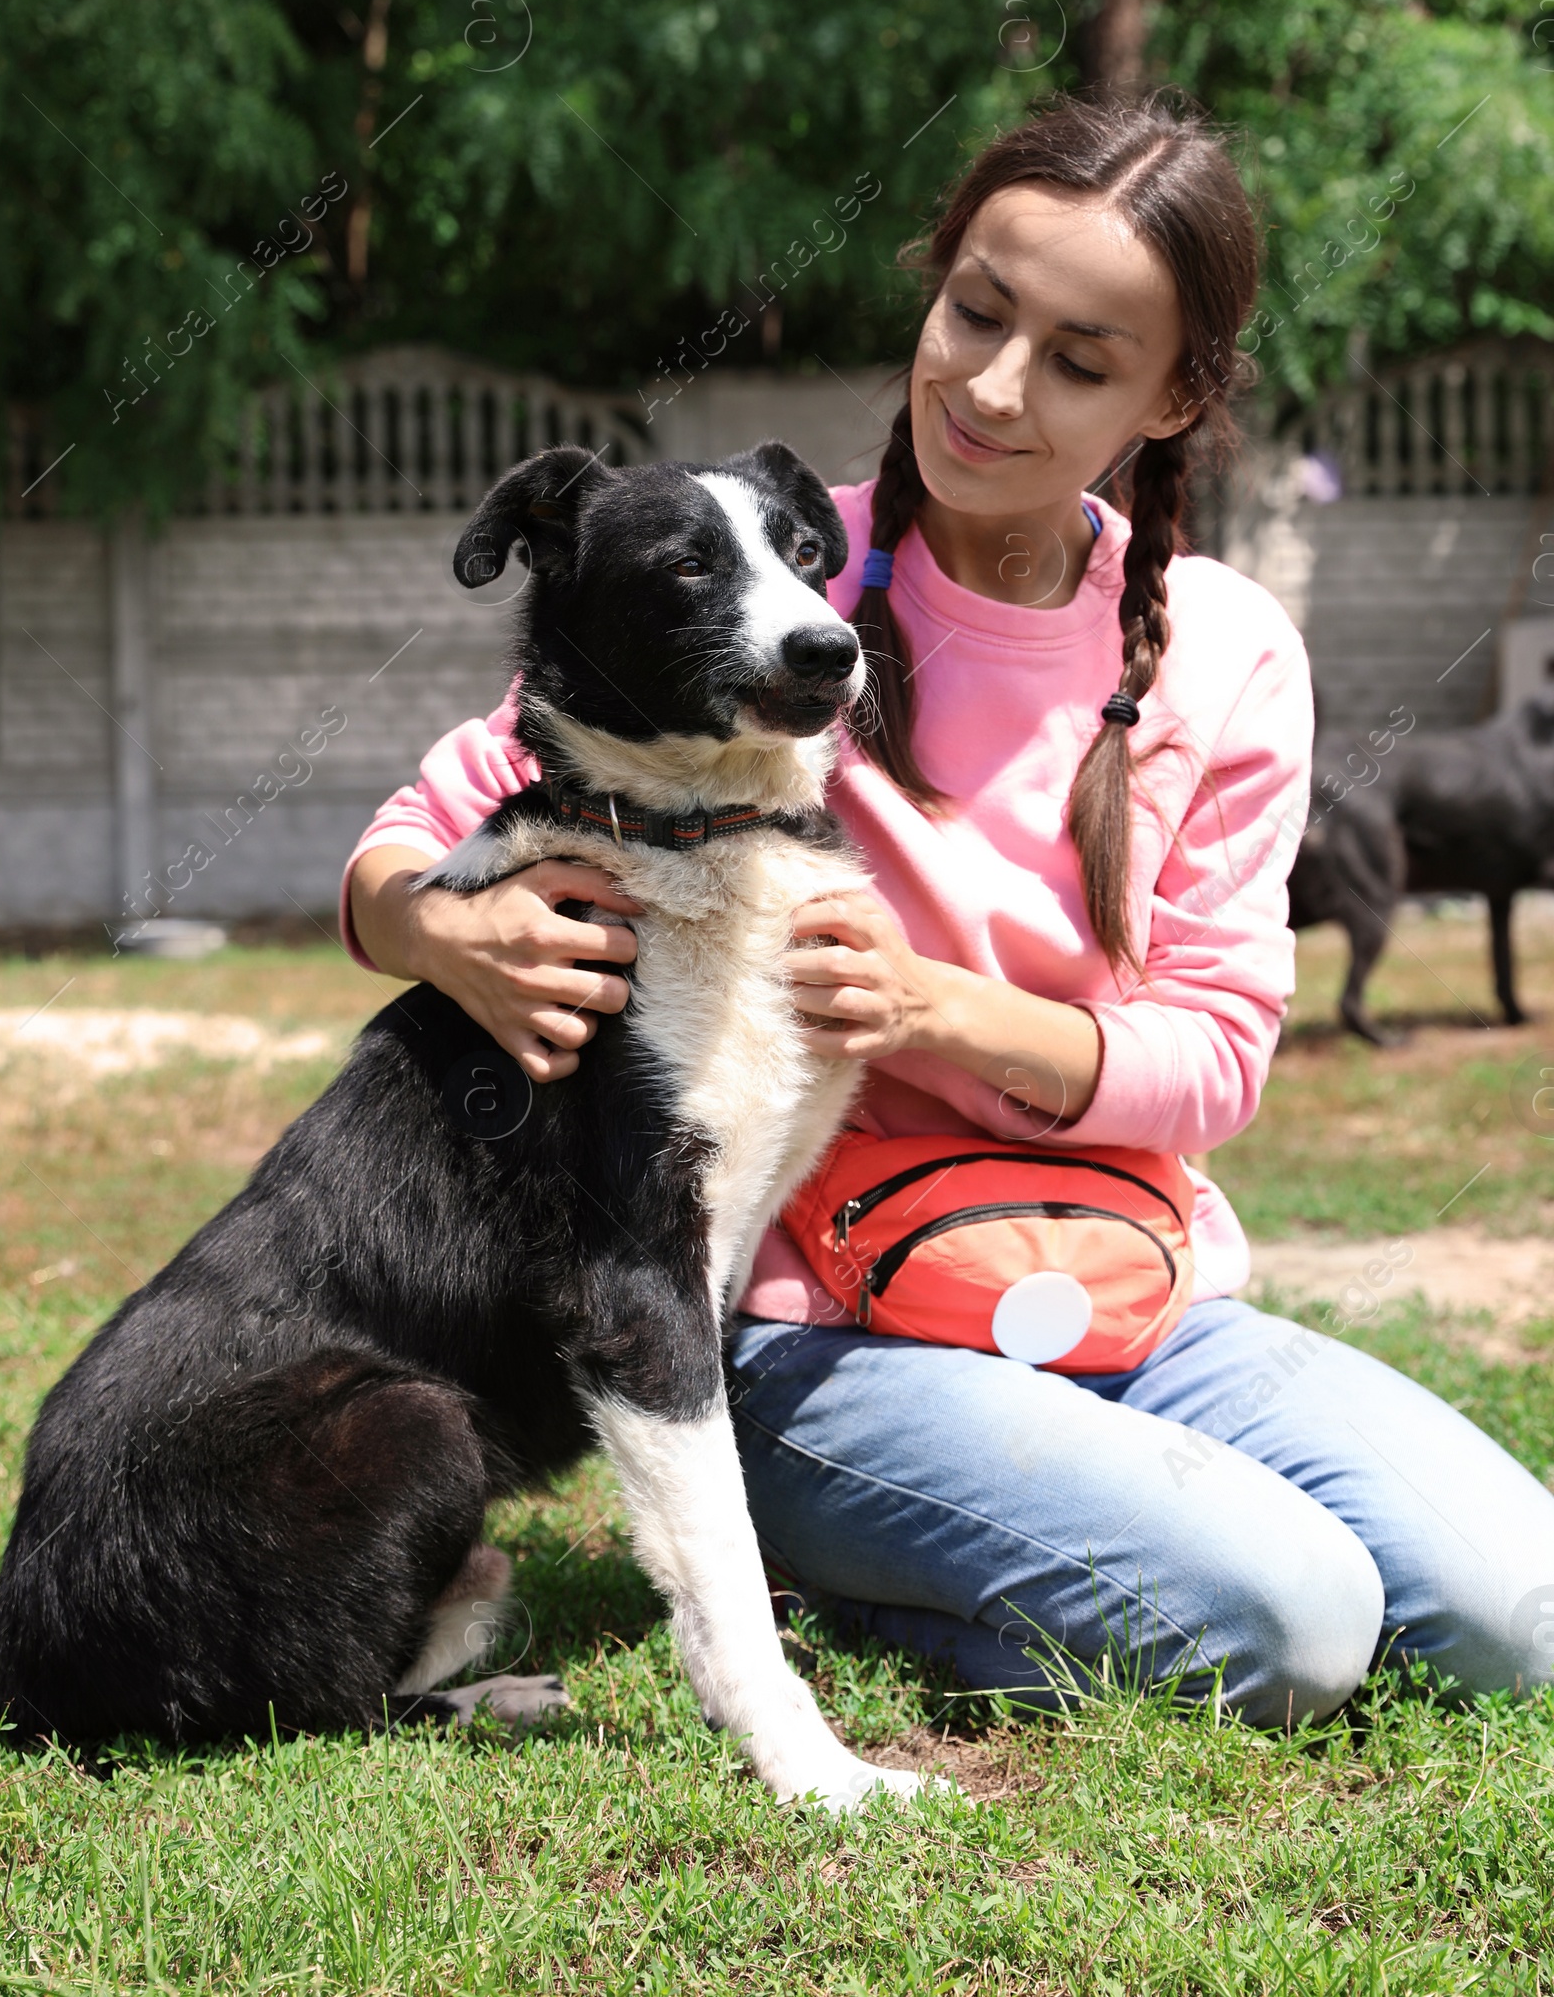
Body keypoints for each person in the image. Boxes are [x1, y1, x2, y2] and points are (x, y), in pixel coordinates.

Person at [343, 93, 1554, 1727]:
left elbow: (1218, 1057)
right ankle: (840, 1573)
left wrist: (938, 1012)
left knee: (1515, 1611)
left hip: (1131, 1287)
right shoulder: (765, 569)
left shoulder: (1225, 646)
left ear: (1174, 393)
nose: (991, 386)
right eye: (975, 309)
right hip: (821, 1330)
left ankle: (1062, 1531)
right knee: (1292, 1625)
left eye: (1078, 356)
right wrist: (431, 927)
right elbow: (421, 829)